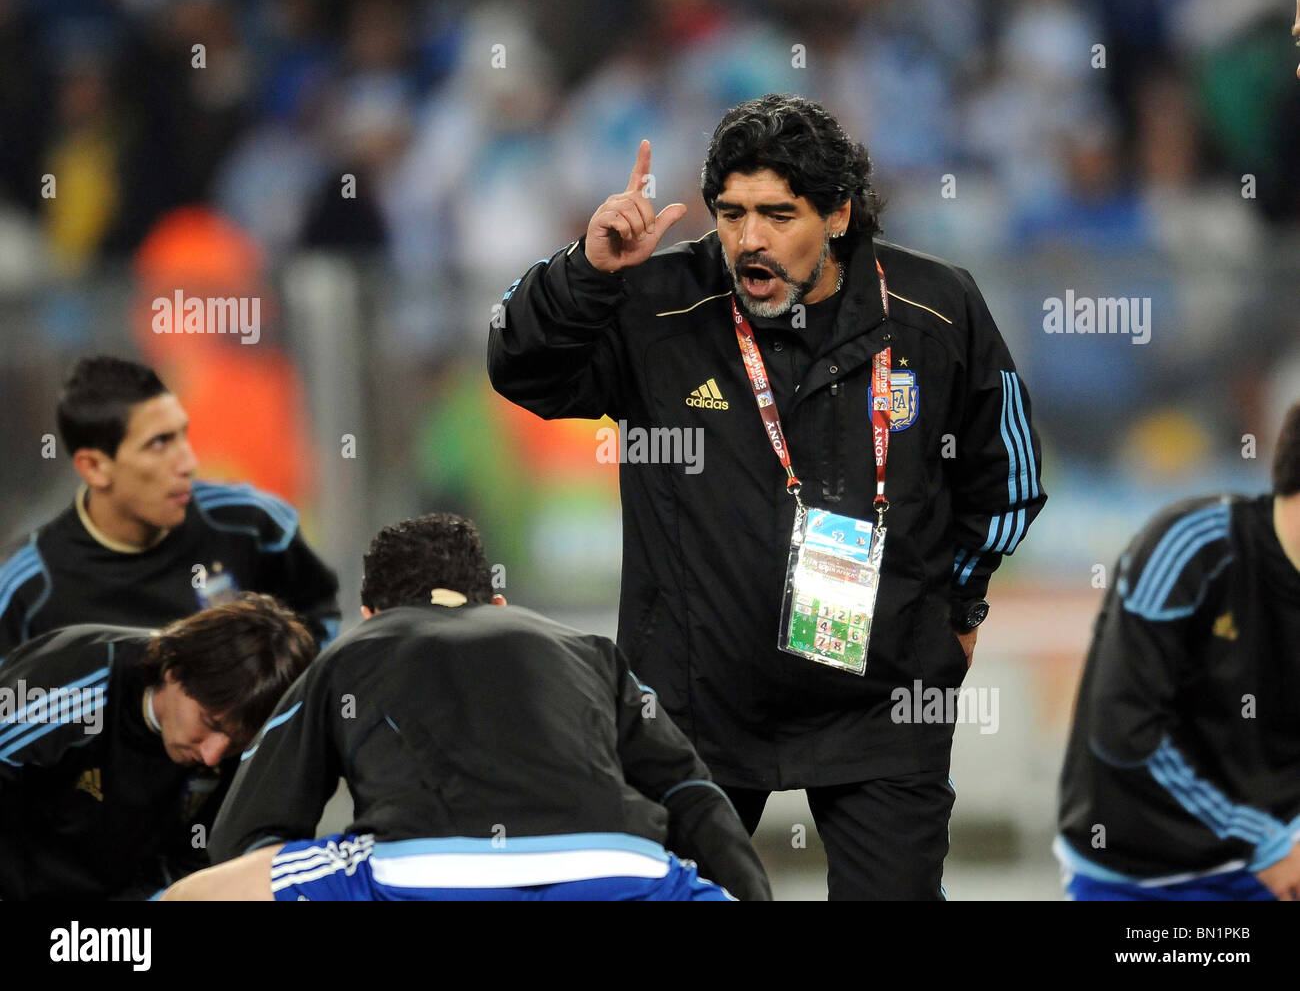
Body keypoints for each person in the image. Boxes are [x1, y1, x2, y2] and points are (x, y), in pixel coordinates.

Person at [488, 93, 1046, 899]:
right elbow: (520, 368)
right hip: (696, 704)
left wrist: (958, 610)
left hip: (881, 702)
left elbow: (1008, 482)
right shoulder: (658, 303)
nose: (749, 239)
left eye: (777, 214)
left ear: (840, 215)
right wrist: (585, 272)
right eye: (730, 212)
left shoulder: (937, 310)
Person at [162, 513, 771, 901]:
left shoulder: (354, 652)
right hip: (620, 865)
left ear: (372, 616)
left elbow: (248, 835)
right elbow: (693, 794)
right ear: (498, 605)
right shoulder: (588, 651)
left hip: (429, 873)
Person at [1057, 402, 1300, 900]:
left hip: (1273, 860)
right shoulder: (1193, 545)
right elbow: (1125, 734)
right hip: (1139, 874)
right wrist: (1267, 845)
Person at [0, 355, 340, 659]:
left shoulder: (252, 524)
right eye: (159, 443)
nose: (189, 462)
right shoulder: (27, 587)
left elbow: (322, 623)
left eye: (183, 435)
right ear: (95, 468)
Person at [0, 592, 316, 900]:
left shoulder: (249, 754)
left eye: (235, 743)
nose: (212, 756)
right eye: (210, 723)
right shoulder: (66, 682)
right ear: (174, 671)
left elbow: (194, 863)